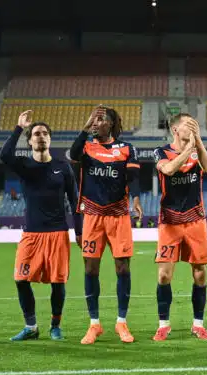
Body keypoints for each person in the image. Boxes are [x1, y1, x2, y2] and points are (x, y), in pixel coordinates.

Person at [2, 110, 82, 341]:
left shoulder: (63, 167)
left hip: (57, 232)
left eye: (45, 133)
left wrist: (79, 231)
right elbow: (6, 155)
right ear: (29, 141)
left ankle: (55, 326)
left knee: (58, 282)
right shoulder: (24, 166)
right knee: (20, 279)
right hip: (31, 234)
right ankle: (31, 327)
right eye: (36, 133)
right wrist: (18, 127)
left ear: (50, 139)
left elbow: (75, 201)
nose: (41, 136)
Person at [70, 105, 143, 345]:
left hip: (118, 215)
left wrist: (136, 199)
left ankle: (121, 322)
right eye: (93, 119)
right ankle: (94, 324)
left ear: (110, 124)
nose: (95, 122)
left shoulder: (126, 149)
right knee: (91, 269)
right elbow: (72, 154)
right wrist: (85, 126)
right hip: (92, 215)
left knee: (122, 268)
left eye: (100, 119)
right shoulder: (87, 146)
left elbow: (132, 177)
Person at [151, 114, 207, 341]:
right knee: (164, 276)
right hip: (169, 223)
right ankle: (163, 324)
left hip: (195, 220)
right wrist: (188, 150)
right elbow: (168, 170)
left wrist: (198, 142)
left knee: (199, 273)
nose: (194, 127)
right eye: (189, 125)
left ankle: (198, 324)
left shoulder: (197, 150)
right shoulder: (161, 151)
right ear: (176, 129)